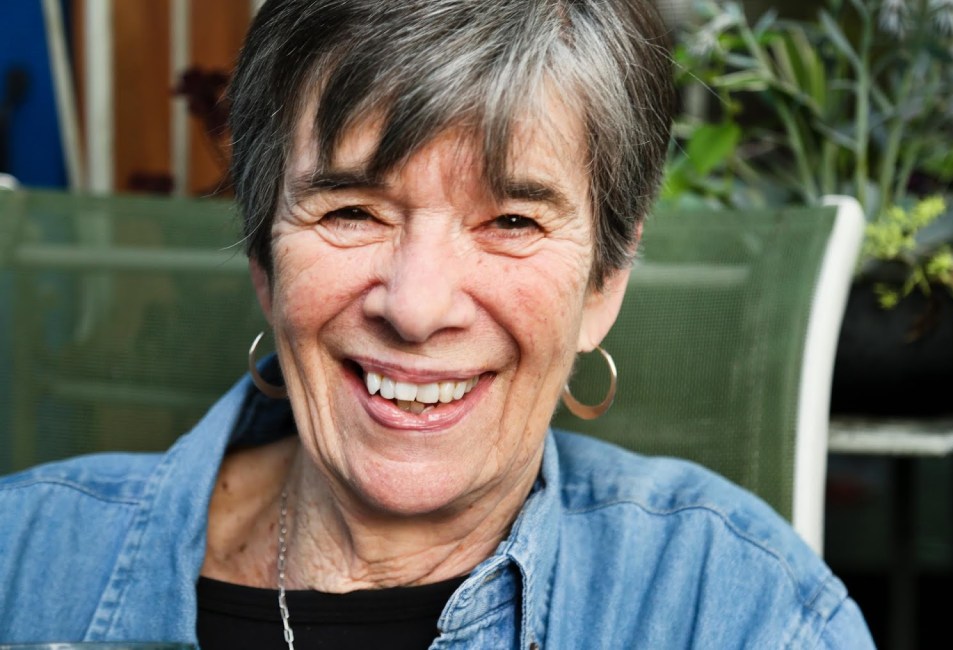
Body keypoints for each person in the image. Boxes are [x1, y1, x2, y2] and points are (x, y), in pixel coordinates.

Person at [0, 1, 875, 647]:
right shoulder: (23, 559)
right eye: (351, 211)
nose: (416, 309)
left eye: (512, 221)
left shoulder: (733, 608)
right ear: (265, 258)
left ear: (604, 283)